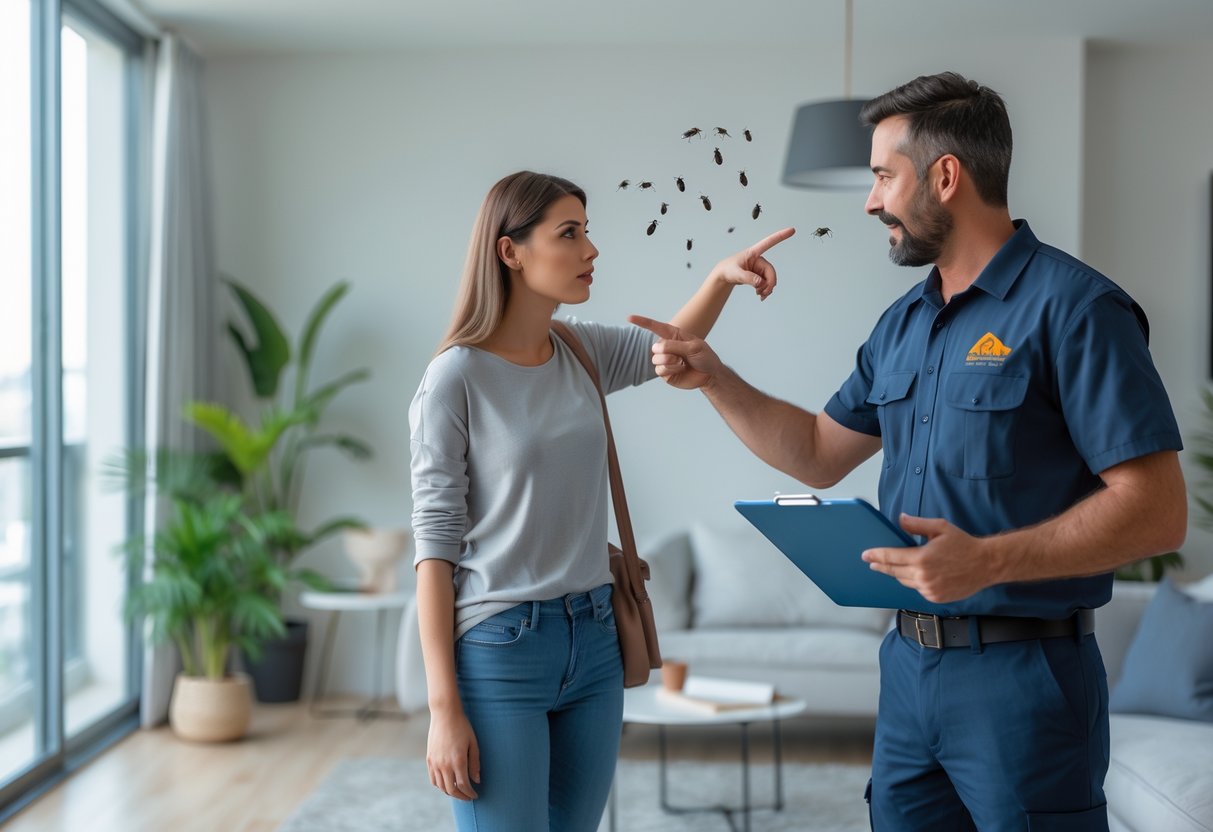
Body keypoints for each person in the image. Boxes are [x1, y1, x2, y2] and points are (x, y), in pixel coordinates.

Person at [629, 72, 1187, 831]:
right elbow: (819, 454)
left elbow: (1156, 514)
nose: (869, 201)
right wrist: (717, 381)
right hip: (907, 671)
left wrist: (985, 561)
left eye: (883, 177)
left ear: (945, 176)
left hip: (1026, 681)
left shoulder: (1078, 309)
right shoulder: (902, 324)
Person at [409, 169, 793, 832]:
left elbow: (668, 348)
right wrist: (444, 711)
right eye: (569, 234)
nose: (590, 251)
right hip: (501, 648)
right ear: (510, 251)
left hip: (593, 639)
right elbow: (433, 551)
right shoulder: (456, 378)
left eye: (587, 232)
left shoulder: (577, 350)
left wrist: (720, 279)